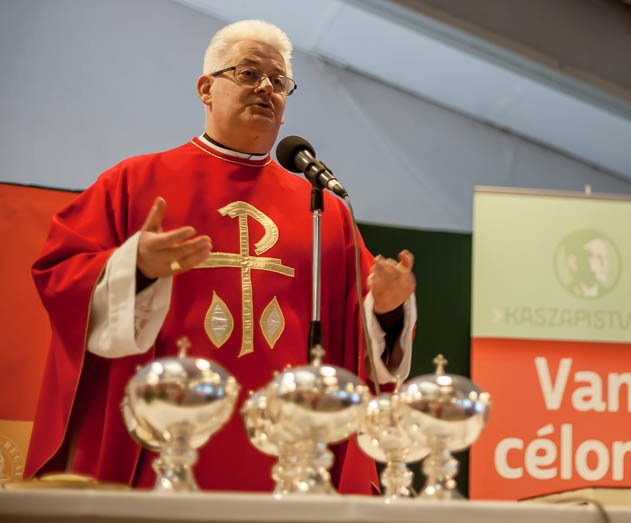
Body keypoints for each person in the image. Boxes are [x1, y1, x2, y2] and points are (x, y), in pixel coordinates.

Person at [25, 19, 416, 494]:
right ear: (206, 89)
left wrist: (388, 309)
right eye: (249, 74)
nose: (266, 89)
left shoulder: (324, 212)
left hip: (288, 449)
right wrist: (133, 269)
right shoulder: (134, 183)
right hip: (162, 440)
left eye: (279, 82)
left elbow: (358, 345)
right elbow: (59, 275)